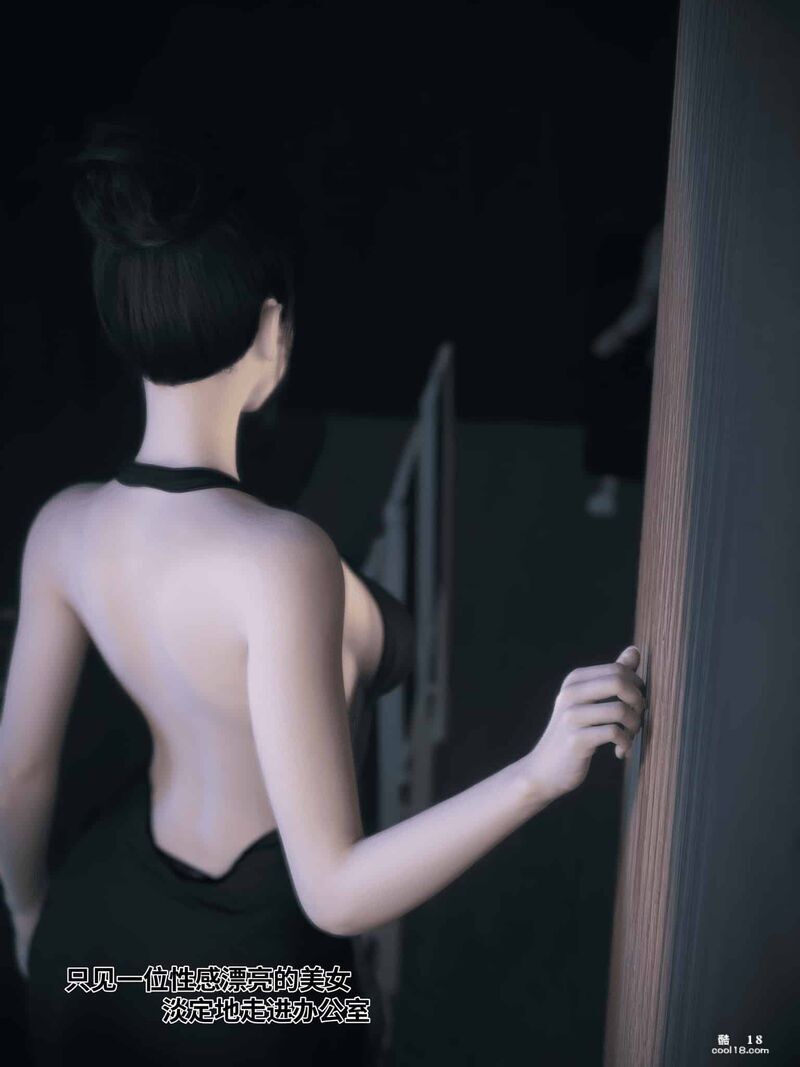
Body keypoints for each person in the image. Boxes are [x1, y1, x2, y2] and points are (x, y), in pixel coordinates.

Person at [0, 113, 647, 1065]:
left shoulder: (62, 527)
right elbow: (333, 891)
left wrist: (27, 917)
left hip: (96, 943)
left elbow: (20, 771)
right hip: (253, 976)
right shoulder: (281, 556)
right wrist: (537, 772)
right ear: (273, 329)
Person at [584, 219, 663, 517]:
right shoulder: (660, 234)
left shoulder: (665, 235)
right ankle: (609, 486)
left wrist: (616, 335)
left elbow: (648, 299)